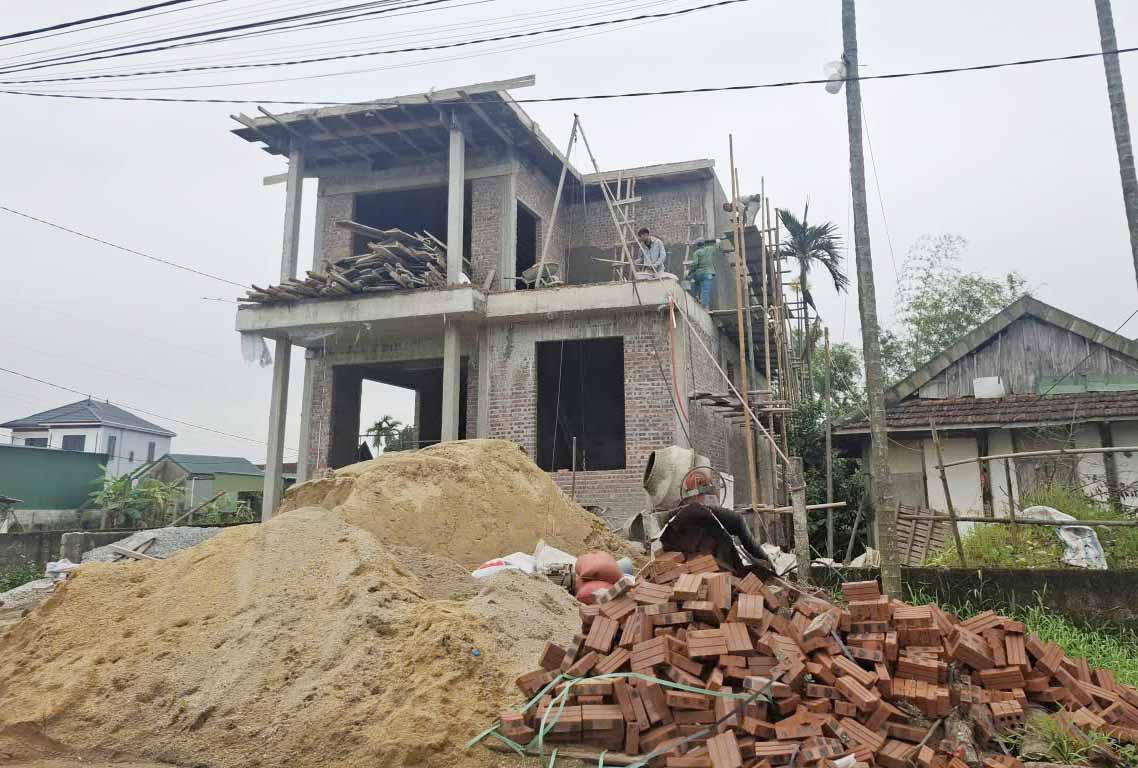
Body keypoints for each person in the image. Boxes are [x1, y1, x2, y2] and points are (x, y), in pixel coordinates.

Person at [687, 238, 718, 308]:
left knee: (696, 283)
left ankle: (696, 296)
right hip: (708, 274)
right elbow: (717, 245)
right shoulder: (710, 249)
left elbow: (695, 264)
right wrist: (716, 241)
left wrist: (690, 272)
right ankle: (704, 306)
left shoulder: (696, 253)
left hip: (699, 274)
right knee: (706, 290)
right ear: (704, 244)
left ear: (697, 245)